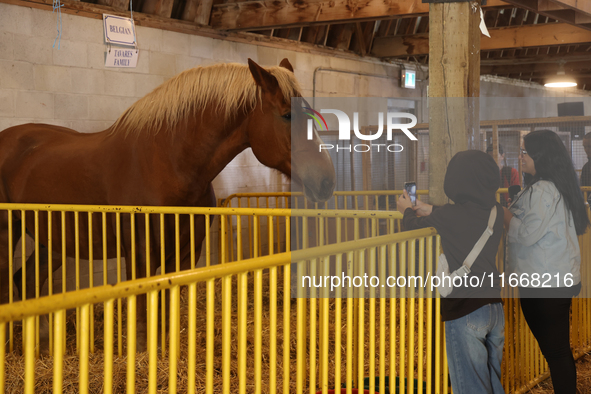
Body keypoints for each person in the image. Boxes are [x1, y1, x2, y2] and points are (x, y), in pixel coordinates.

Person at [397, 150, 505, 394]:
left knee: (471, 387)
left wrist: (406, 209)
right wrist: (430, 208)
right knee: (493, 383)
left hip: (465, 312)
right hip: (494, 310)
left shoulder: (449, 216)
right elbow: (465, 218)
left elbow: (412, 226)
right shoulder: (495, 212)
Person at [503, 129, 590, 394]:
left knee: (556, 351)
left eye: (525, 152)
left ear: (541, 155)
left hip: (545, 281)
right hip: (556, 277)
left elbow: (528, 234)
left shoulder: (543, 190)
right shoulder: (556, 185)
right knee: (557, 350)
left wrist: (504, 216)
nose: (521, 157)